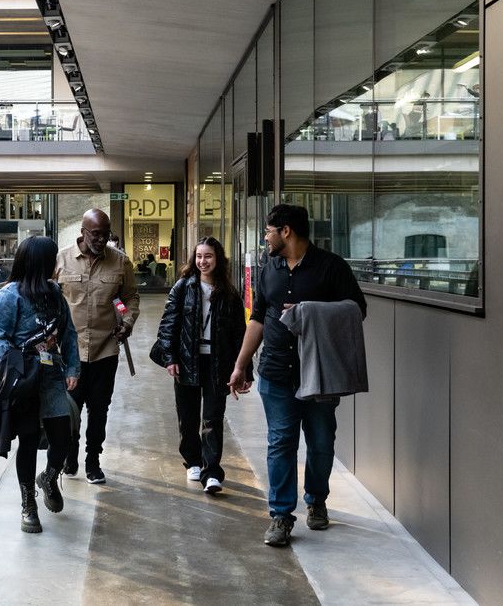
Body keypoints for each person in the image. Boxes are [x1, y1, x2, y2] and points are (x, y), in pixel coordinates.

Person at [228, 204, 366, 547]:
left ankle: (316, 500)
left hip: (318, 373)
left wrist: (310, 312)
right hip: (275, 370)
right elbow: (258, 318)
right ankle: (281, 515)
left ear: (286, 231)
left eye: (268, 231)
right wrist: (241, 364)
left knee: (321, 443)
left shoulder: (331, 267)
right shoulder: (268, 267)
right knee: (281, 443)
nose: (265, 236)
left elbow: (357, 310)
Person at [0, 236, 79, 533]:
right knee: (27, 441)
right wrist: (20, 363)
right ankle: (28, 503)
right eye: (53, 260)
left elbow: (69, 334)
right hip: (23, 383)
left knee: (63, 437)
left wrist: (73, 366)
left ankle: (49, 477)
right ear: (40, 263)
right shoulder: (9, 296)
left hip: (52, 379)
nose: (57, 265)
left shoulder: (54, 294)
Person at [155, 237, 251, 494]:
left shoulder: (228, 292)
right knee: (187, 417)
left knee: (212, 417)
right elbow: (168, 326)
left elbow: (240, 334)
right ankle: (193, 461)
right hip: (187, 360)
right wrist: (170, 358)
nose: (202, 261)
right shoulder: (183, 287)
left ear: (218, 258)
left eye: (208, 256)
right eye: (198, 256)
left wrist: (245, 370)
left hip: (218, 362)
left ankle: (212, 472)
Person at [55, 208, 140, 484]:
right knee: (71, 407)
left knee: (99, 409)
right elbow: (51, 298)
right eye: (95, 234)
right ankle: (71, 453)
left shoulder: (120, 263)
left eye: (105, 235)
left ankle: (93, 460)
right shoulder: (62, 259)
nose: (101, 240)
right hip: (71, 352)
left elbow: (127, 298)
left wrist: (126, 322)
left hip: (105, 349)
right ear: (82, 232)